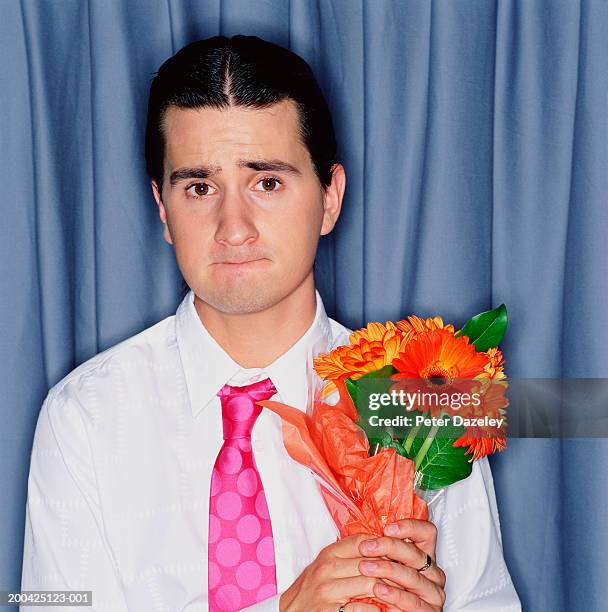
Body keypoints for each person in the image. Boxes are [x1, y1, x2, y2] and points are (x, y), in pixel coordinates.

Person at [21, 35, 521, 612]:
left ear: (330, 197)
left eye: (268, 182)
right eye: (200, 187)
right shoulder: (81, 417)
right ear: (163, 210)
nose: (234, 227)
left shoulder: (421, 398)